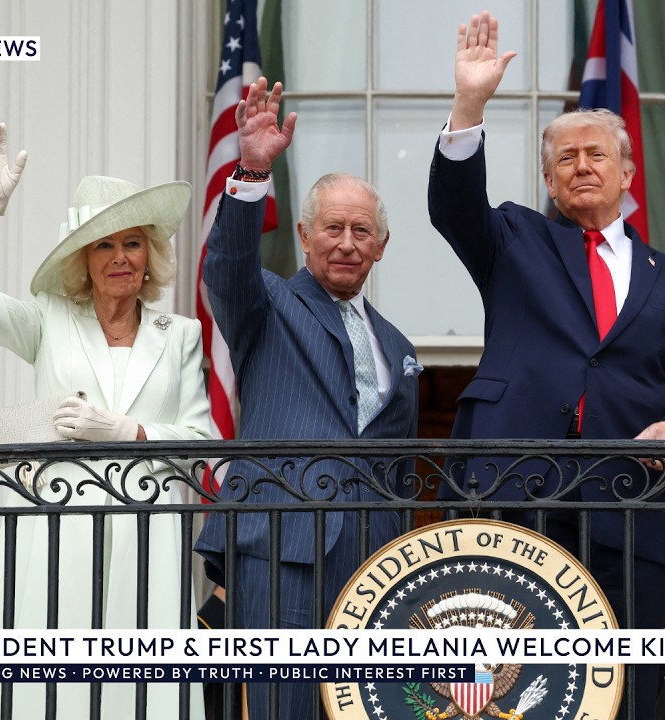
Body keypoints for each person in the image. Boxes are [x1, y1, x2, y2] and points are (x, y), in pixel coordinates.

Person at [428, 13, 665, 720]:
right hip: (509, 489)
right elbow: (453, 206)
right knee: (494, 684)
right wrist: (469, 104)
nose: (582, 167)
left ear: (628, 172)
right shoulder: (515, 238)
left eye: (597, 155)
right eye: (565, 159)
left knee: (624, 683)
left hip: (628, 500)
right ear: (548, 177)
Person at [0, 121, 211, 718]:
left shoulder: (181, 336)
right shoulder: (50, 319)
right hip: (56, 525)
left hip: (148, 531)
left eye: (132, 242)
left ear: (151, 253)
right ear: (82, 258)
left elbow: (204, 440)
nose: (120, 257)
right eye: (104, 244)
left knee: (141, 684)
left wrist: (130, 432)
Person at [193, 78, 420, 719]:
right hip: (281, 542)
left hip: (377, 558)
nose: (347, 242)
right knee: (281, 708)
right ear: (303, 234)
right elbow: (225, 264)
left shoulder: (398, 345)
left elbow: (396, 463)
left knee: (366, 710)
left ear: (380, 245)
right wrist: (252, 169)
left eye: (362, 231)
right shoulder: (266, 303)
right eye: (333, 228)